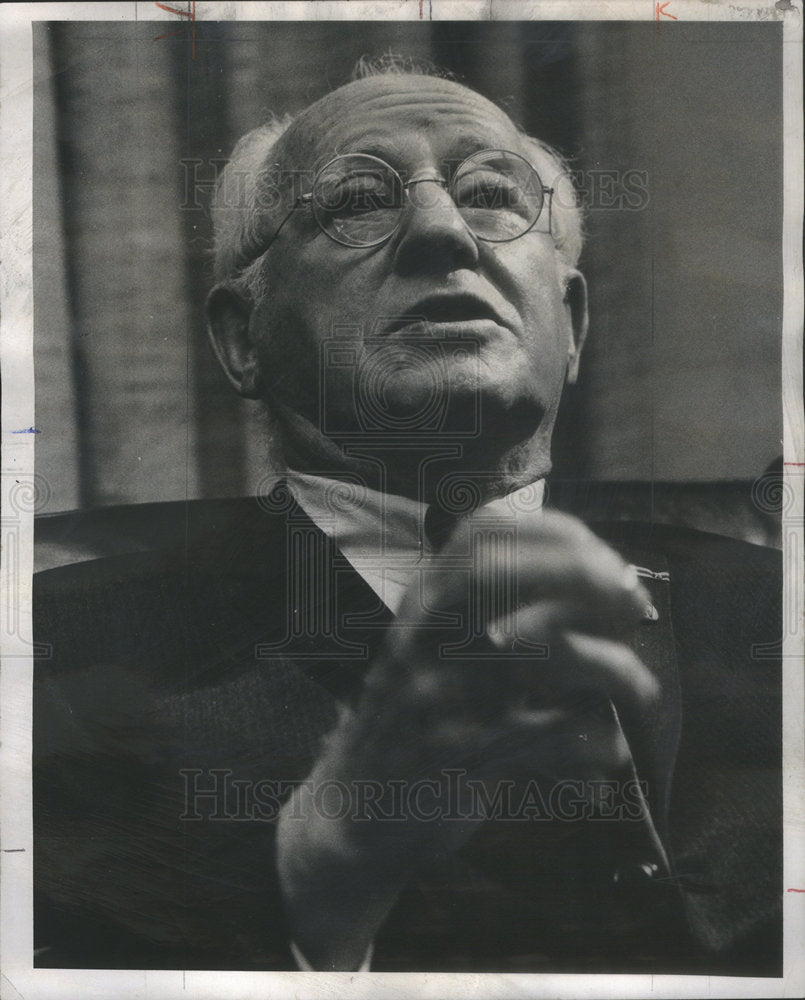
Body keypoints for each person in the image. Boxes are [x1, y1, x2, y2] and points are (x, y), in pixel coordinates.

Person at [33, 59, 782, 974]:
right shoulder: (57, 656)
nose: (441, 231)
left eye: (491, 194)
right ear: (242, 338)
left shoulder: (774, 613)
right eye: (357, 201)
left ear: (573, 324)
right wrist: (322, 868)